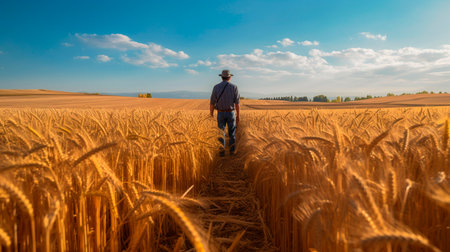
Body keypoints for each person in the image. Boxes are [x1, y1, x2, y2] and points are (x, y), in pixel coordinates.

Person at [210, 70, 240, 156]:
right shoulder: (234, 87)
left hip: (220, 113)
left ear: (221, 77)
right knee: (232, 133)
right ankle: (232, 152)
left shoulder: (216, 87)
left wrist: (211, 114)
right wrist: (238, 115)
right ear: (230, 77)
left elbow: (212, 102)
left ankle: (221, 152)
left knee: (221, 133)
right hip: (231, 113)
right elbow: (237, 103)